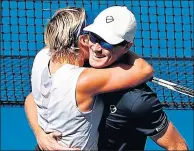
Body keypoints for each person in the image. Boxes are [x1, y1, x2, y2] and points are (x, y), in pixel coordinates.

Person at [26, 6, 153, 151]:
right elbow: (144, 70)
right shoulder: (84, 80)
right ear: (83, 40)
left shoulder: (42, 57)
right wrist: (120, 46)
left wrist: (39, 134)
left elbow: (31, 99)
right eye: (93, 36)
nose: (96, 44)